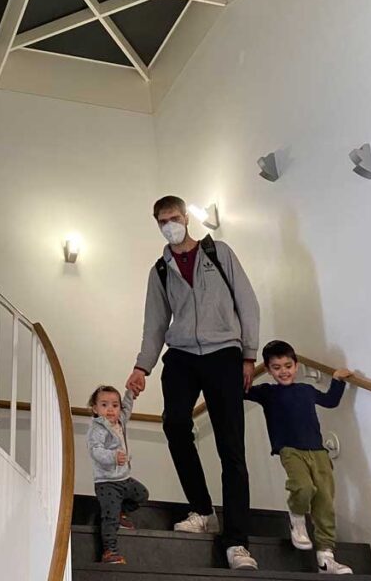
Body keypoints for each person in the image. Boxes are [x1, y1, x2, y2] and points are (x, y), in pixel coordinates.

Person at [126, 195, 260, 570]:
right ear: (157, 224)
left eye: (173, 217)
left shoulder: (219, 253)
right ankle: (202, 510)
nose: (169, 225)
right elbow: (154, 324)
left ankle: (237, 543)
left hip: (224, 354)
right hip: (182, 355)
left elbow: (247, 303)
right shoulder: (160, 271)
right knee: (175, 423)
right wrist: (142, 367)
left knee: (230, 447)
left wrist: (249, 354)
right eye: (162, 221)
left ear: (186, 217)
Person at [246, 340, 354, 575]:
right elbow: (238, 390)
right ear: (268, 369)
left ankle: (326, 556)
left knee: (325, 499)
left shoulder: (306, 390)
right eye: (276, 367)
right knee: (303, 487)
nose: (283, 371)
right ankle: (296, 518)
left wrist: (337, 379)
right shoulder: (267, 393)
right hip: (289, 449)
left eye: (288, 365)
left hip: (317, 451)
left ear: (296, 366)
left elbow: (330, 401)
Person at [86, 384, 150, 564]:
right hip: (106, 482)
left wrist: (131, 392)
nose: (110, 410)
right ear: (95, 409)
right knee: (110, 518)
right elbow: (95, 451)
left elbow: (127, 406)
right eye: (104, 405)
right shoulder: (97, 429)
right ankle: (110, 551)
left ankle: (122, 512)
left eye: (115, 405)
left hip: (124, 478)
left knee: (142, 495)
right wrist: (113, 457)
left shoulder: (120, 421)